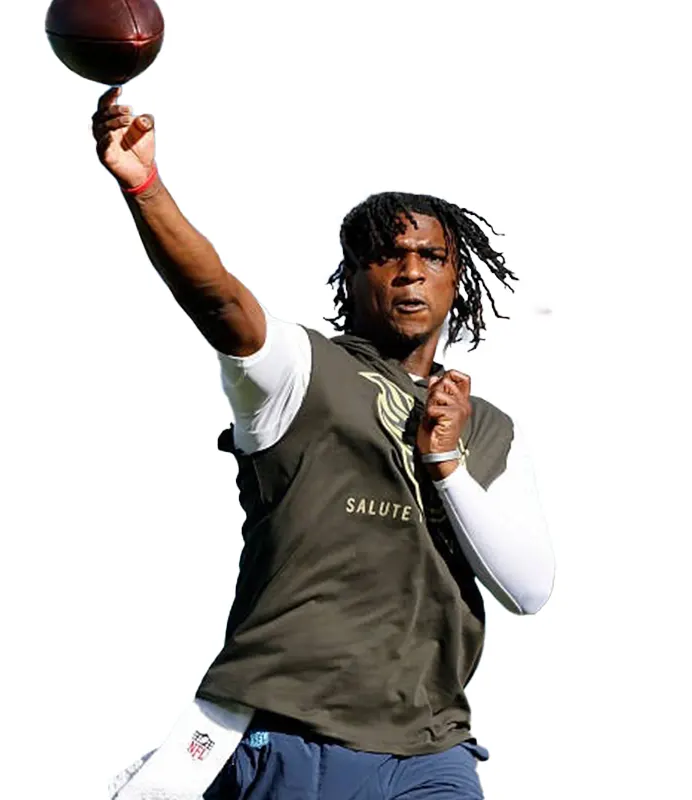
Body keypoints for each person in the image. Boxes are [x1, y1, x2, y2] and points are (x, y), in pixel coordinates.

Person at [93, 88, 555, 800]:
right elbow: (219, 298)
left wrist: (446, 463)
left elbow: (529, 589)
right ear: (352, 274)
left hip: (432, 748)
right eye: (386, 255)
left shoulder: (487, 426)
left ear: (456, 276)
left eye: (431, 256)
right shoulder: (298, 372)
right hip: (293, 735)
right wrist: (145, 187)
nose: (410, 270)